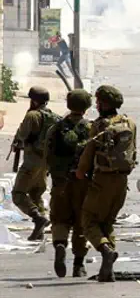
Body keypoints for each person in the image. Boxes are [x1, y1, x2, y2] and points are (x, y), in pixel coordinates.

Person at [76, 85, 137, 282]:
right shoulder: (130, 123)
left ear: (104, 103)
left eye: (99, 101)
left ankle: (104, 248)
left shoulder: (100, 126)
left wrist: (80, 172)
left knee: (88, 220)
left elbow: (88, 153)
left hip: (102, 180)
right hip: (122, 181)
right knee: (108, 221)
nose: (96, 104)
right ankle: (107, 269)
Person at [45, 90, 93, 278]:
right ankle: (79, 265)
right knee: (82, 222)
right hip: (83, 182)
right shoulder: (91, 129)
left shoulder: (56, 129)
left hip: (60, 182)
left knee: (59, 219)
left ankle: (59, 245)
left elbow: (47, 155)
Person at [12, 86, 62, 241]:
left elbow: (22, 134)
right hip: (45, 163)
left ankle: (38, 218)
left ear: (33, 100)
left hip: (31, 161)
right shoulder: (54, 117)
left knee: (18, 195)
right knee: (35, 193)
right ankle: (39, 229)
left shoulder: (32, 115)